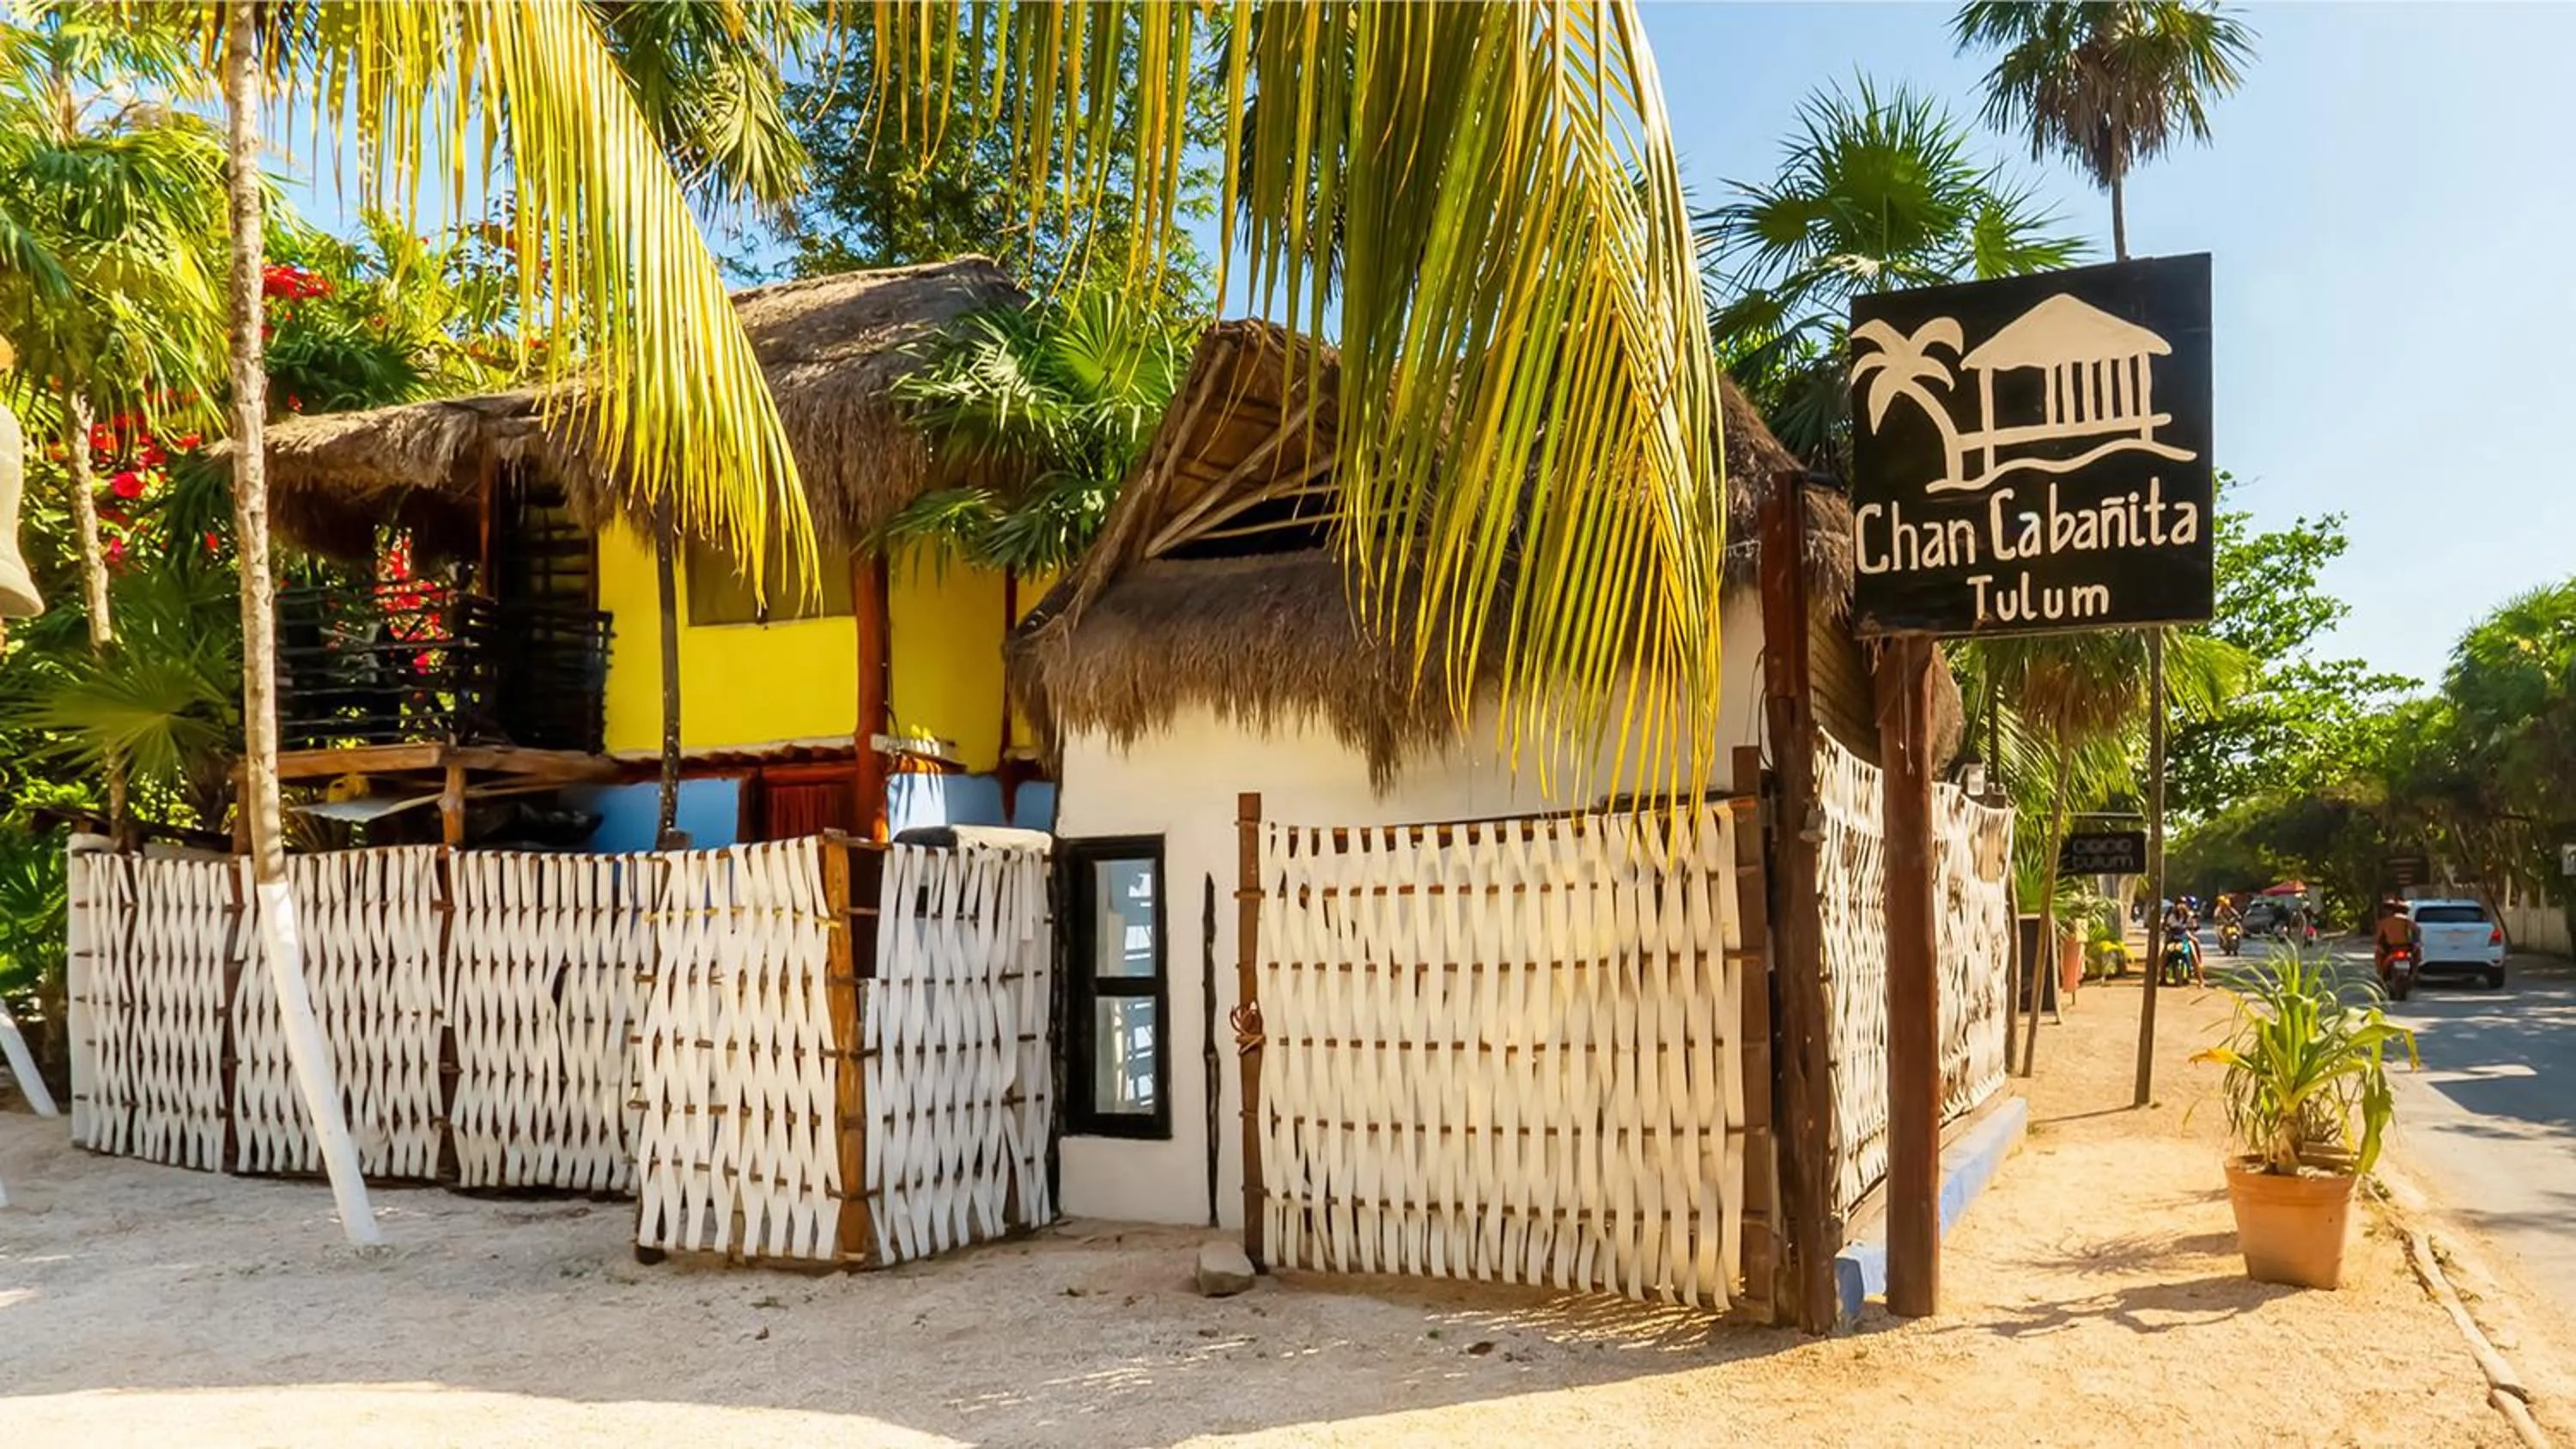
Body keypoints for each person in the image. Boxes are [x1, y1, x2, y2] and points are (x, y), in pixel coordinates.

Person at [2373, 899, 2419, 986]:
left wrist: (2378, 945)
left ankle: (2380, 975)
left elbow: (2378, 937)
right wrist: (2416, 941)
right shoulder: (2406, 920)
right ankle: (2414, 974)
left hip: (2392, 947)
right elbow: (2416, 930)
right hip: (2405, 946)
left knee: (2378, 954)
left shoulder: (2384, 922)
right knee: (2417, 953)